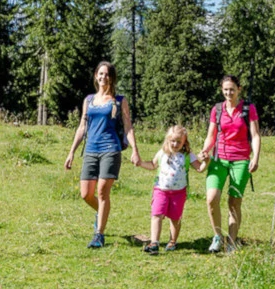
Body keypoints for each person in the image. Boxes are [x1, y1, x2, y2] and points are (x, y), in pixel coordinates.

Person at [65, 61, 141, 248]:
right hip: (90, 150)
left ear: (112, 78)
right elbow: (82, 127)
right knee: (85, 194)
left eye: (106, 74)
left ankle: (99, 234)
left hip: (110, 149)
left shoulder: (119, 100)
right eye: (100, 74)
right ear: (96, 76)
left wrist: (135, 150)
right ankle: (102, 214)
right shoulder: (89, 100)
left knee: (102, 191)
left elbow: (128, 126)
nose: (103, 77)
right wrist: (71, 152)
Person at [199, 75, 261, 253]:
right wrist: (205, 150)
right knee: (211, 199)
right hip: (219, 160)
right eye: (225, 89)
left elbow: (255, 135)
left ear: (239, 89)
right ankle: (217, 236)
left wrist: (255, 157)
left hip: (240, 160)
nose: (228, 93)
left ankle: (231, 242)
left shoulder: (248, 109)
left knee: (234, 202)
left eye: (232, 89)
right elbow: (211, 135)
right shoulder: (217, 109)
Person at [137, 125, 206, 255]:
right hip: (161, 190)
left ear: (184, 141)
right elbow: (152, 165)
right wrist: (140, 163)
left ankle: (172, 241)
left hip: (179, 193)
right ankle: (154, 243)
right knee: (156, 214)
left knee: (175, 218)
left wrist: (206, 161)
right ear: (167, 140)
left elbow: (199, 169)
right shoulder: (162, 152)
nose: (175, 144)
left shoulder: (187, 155)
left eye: (179, 142)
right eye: (172, 141)